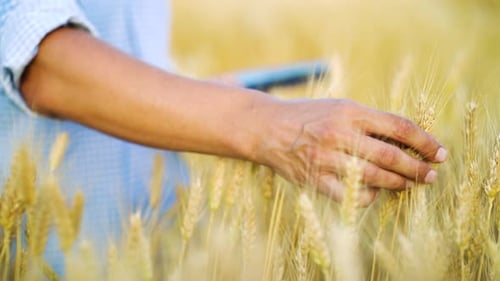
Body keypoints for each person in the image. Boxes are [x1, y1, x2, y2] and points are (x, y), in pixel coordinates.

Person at [0, 0, 446, 270]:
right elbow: (35, 56)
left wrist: (205, 98)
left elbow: (115, 40)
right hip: (43, 259)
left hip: (148, 247)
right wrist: (261, 123)